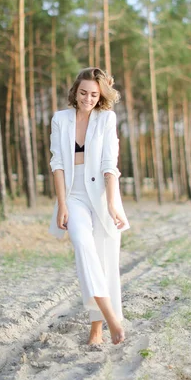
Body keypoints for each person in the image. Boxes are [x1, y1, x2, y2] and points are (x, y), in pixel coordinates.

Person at [48, 67, 130, 345]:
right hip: (73, 193)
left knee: (104, 258)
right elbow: (57, 163)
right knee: (83, 245)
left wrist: (111, 203)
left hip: (102, 192)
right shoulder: (60, 119)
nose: (88, 98)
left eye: (94, 94)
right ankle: (109, 316)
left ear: (100, 95)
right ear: (75, 92)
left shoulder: (107, 119)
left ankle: (97, 328)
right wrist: (62, 205)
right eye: (83, 93)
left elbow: (110, 164)